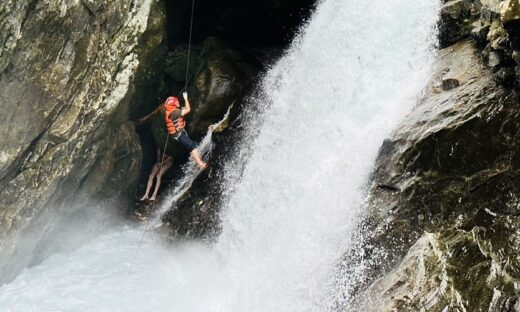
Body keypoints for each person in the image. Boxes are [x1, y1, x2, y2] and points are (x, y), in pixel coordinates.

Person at [138, 92, 207, 171]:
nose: (177, 103)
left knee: (190, 146)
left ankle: (196, 159)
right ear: (172, 105)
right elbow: (188, 109)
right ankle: (201, 164)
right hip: (180, 135)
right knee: (192, 146)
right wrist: (185, 98)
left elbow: (178, 114)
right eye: (176, 102)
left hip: (178, 134)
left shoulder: (169, 112)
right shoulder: (174, 113)